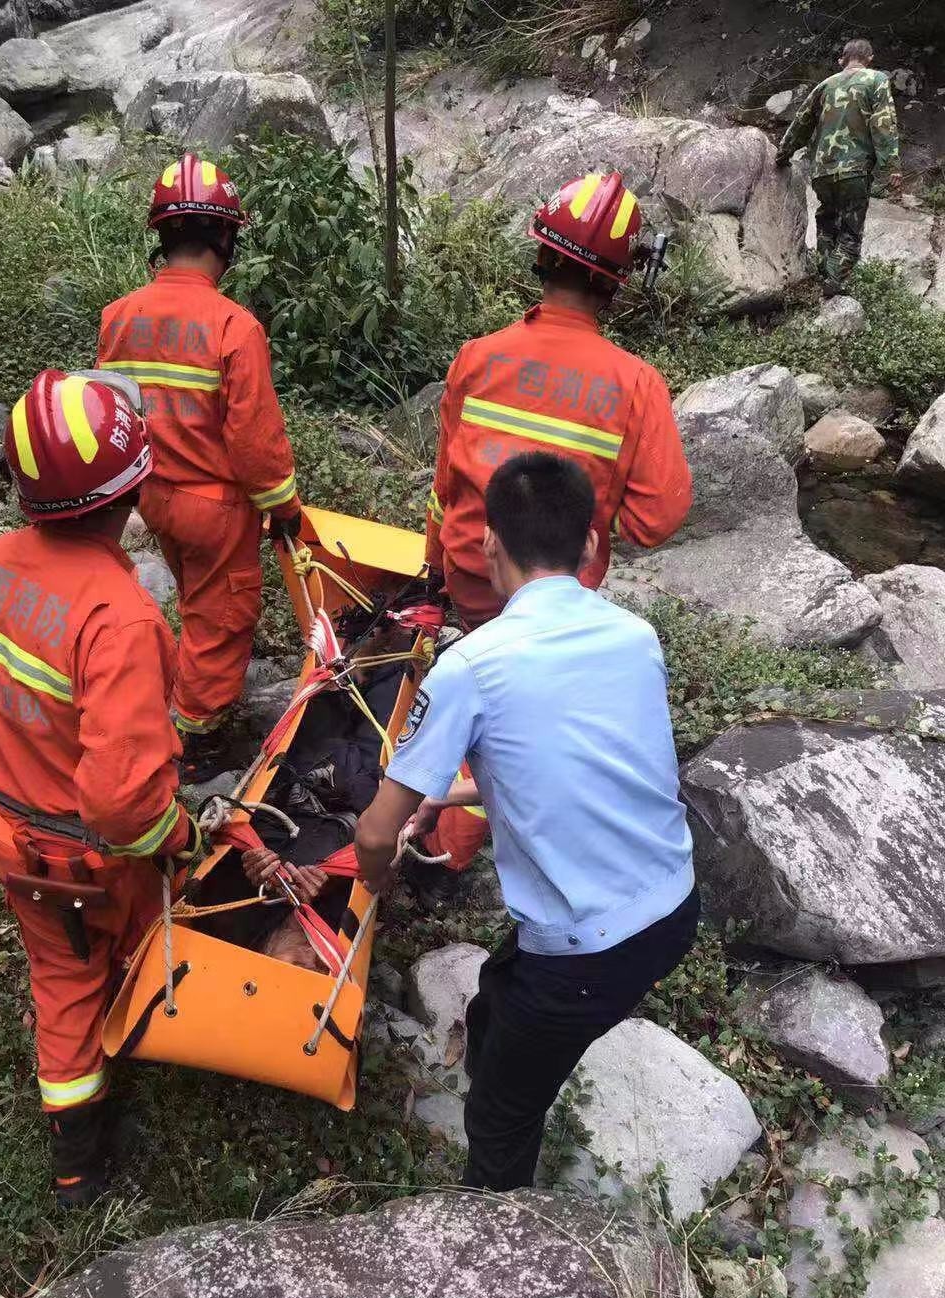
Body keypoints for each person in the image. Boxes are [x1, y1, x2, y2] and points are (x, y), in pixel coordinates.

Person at [356, 451, 699, 1192]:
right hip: (674, 908)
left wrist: (376, 884)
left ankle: (500, 1231)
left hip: (584, 954)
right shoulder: (636, 636)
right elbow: (571, 767)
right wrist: (443, 800)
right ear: (589, 547)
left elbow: (374, 835)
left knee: (504, 1118)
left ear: (486, 547)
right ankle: (497, 1044)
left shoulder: (470, 667)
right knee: (494, 1003)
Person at [0, 369, 202, 1209]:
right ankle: (81, 1163)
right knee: (94, 969)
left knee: (65, 971)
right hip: (80, 856)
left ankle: (82, 1147)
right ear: (132, 486)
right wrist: (182, 836)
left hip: (6, 828)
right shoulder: (121, 617)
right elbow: (124, 805)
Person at [417, 171, 692, 898]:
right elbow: (659, 516)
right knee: (517, 721)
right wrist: (598, 524)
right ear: (619, 281)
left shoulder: (478, 356)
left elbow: (445, 485)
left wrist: (437, 563)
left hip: (476, 573)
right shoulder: (634, 384)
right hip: (557, 590)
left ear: (542, 255)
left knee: (487, 684)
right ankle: (452, 848)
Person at [97, 153, 302, 784]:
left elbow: (111, 411)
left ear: (162, 237)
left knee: (192, 596)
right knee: (223, 615)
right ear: (224, 237)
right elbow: (254, 442)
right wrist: (284, 509)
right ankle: (196, 741)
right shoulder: (234, 327)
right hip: (215, 508)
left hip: (149, 495)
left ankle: (185, 690)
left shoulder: (119, 316)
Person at [776, 38, 900, 294]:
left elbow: (801, 123)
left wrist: (782, 154)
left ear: (842, 59)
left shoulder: (824, 85)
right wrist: (891, 166)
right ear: (870, 58)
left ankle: (822, 275)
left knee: (827, 222)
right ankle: (830, 283)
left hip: (821, 172)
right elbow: (883, 124)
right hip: (854, 171)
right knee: (850, 238)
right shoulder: (876, 80)